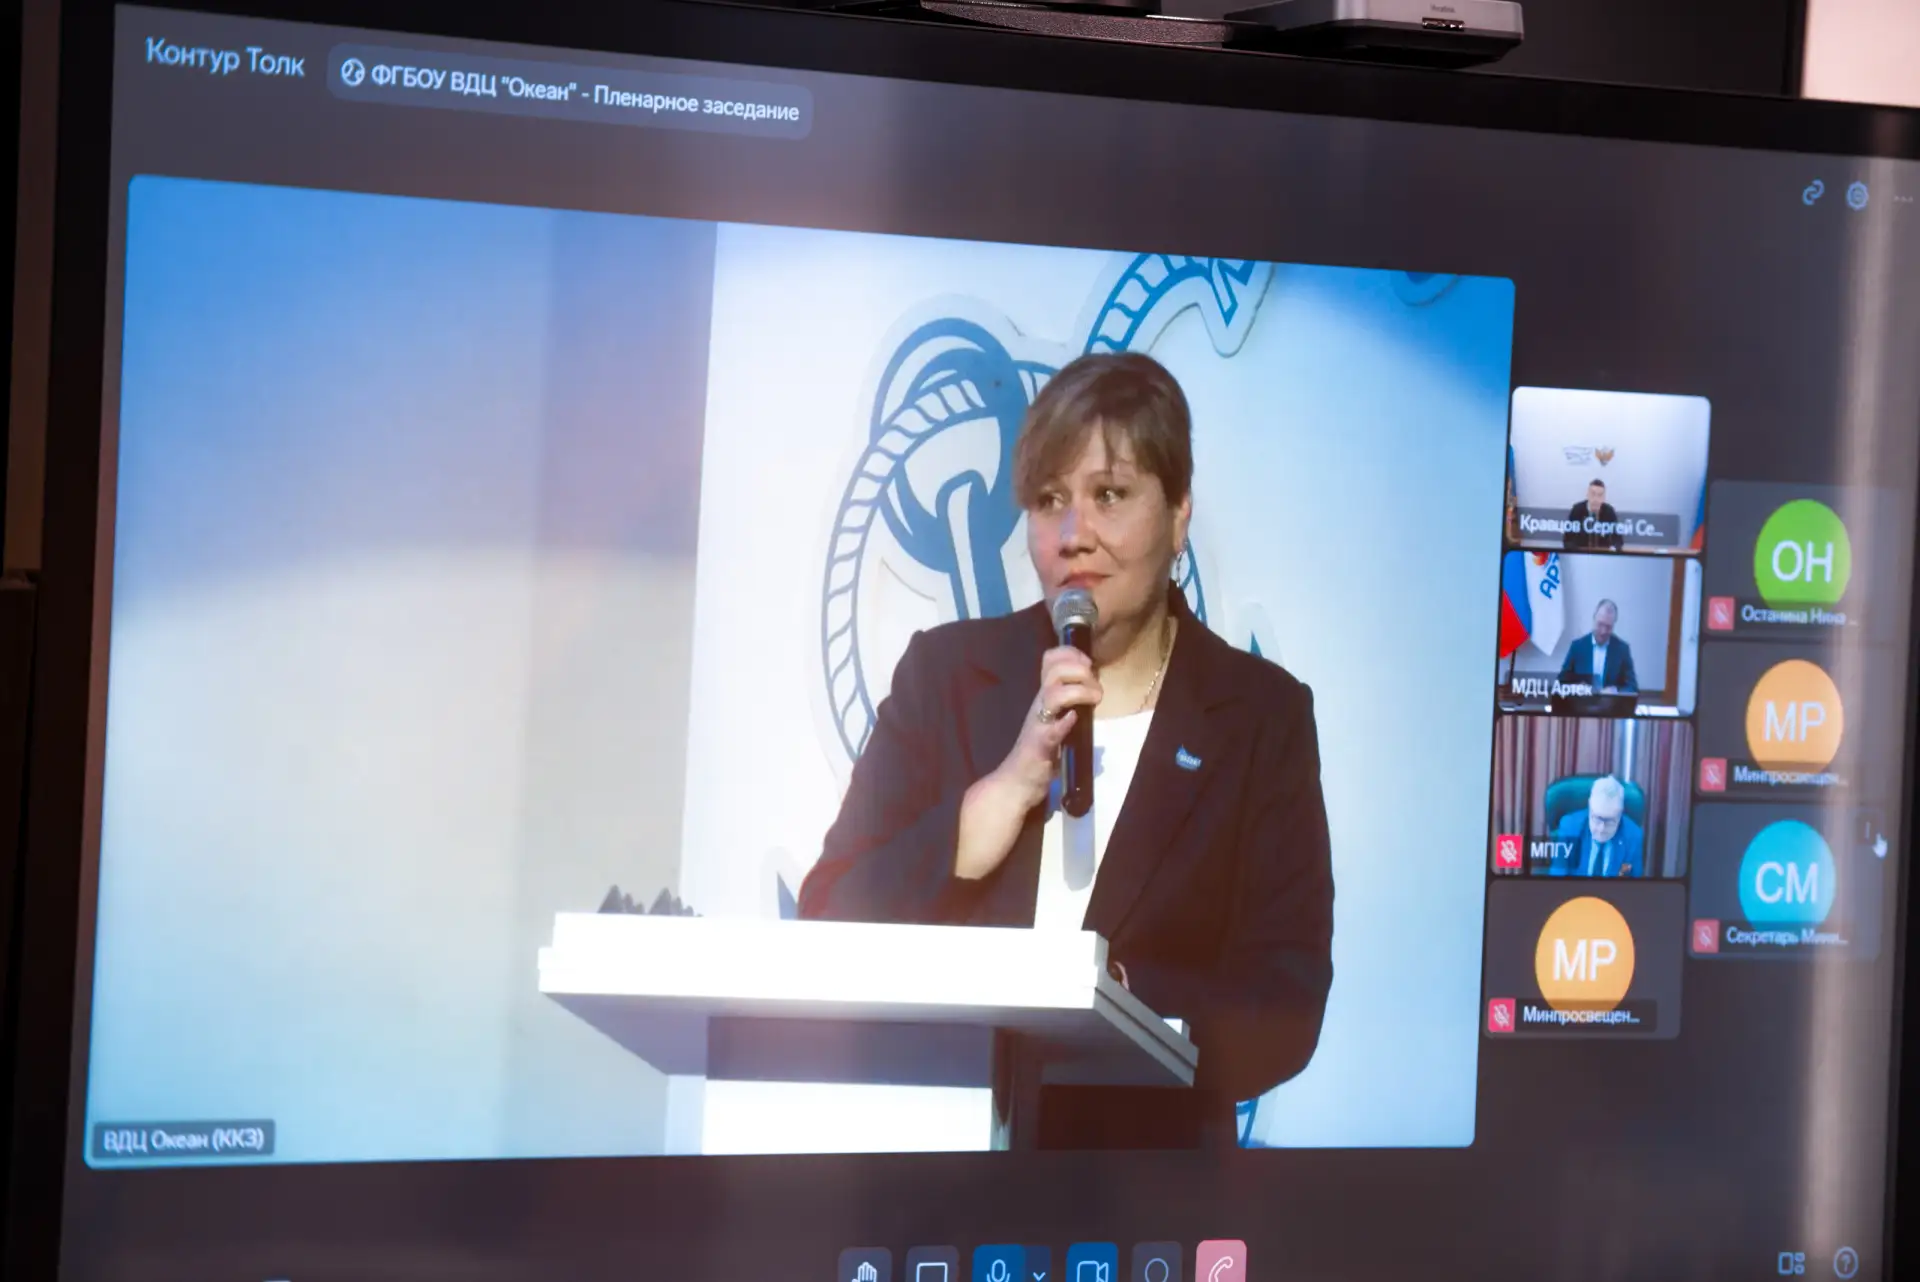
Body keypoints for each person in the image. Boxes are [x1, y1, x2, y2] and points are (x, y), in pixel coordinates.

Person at [799, 351, 1334, 1149]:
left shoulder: (1257, 716)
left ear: (1179, 514)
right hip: (938, 1176)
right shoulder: (948, 677)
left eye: (1109, 495)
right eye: (1050, 501)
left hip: (1144, 1189)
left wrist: (1121, 1001)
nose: (1074, 535)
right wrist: (985, 812)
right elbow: (826, 916)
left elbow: (1285, 1004)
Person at [1549, 776, 1644, 878]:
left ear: (1620, 814)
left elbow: (1634, 882)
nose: (1601, 829)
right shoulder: (1569, 827)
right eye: (1597, 818)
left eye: (1610, 821)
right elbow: (1558, 877)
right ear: (1590, 806)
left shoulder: (1634, 836)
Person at [1557, 599, 1638, 694]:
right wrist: (1577, 688)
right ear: (1594, 619)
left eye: (1608, 627)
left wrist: (1615, 691)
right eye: (1600, 624)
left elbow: (1632, 687)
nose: (1603, 631)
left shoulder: (1622, 649)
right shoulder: (1577, 647)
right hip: (1582, 702)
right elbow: (1561, 682)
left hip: (1611, 703)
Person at [1561, 478, 1625, 551]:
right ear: (1587, 495)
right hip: (1580, 554)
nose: (1596, 499)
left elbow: (1618, 541)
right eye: (1593, 494)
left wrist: (1611, 550)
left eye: (1600, 495)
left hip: (1603, 555)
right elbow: (1567, 540)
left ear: (1604, 498)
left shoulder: (1609, 511)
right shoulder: (1577, 510)